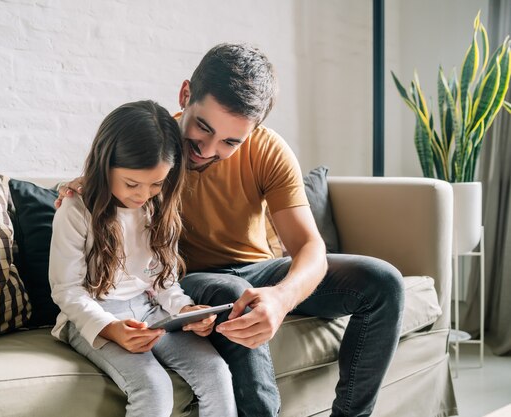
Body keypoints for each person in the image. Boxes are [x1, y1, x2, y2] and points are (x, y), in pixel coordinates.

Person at [56, 44, 405, 417]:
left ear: (253, 131)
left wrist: (281, 298)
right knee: (235, 293)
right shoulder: (157, 151)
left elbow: (309, 247)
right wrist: (88, 186)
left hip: (258, 269)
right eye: (202, 129)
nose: (206, 150)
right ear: (185, 94)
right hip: (192, 279)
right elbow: (117, 182)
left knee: (383, 282)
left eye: (230, 142)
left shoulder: (269, 151)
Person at [49, 100, 237, 417]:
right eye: (132, 184)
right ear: (104, 164)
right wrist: (110, 328)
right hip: (92, 318)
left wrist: (186, 310)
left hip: (150, 311)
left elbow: (164, 283)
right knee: (154, 389)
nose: (142, 194)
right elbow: (67, 291)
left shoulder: (157, 206)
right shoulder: (76, 210)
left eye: (157, 183)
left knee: (216, 373)